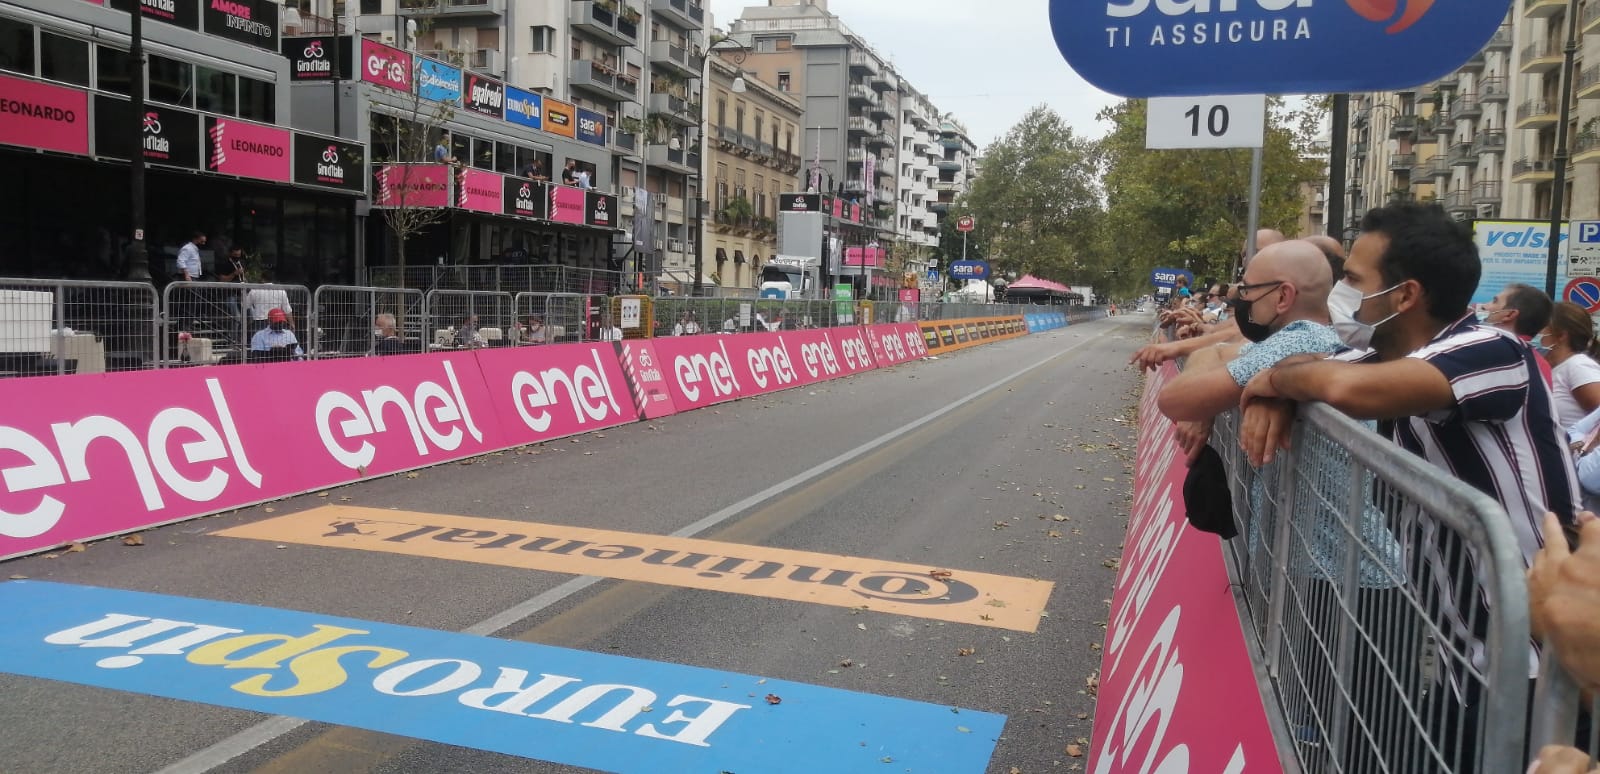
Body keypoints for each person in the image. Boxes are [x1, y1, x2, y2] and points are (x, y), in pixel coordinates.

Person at [1240, 203, 1580, 556]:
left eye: (1353, 279)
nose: (1338, 290)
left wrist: (1278, 385)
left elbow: (1341, 386)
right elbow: (1305, 365)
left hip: (1530, 603)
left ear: (1405, 295)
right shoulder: (1381, 357)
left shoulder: (1491, 349)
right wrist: (1275, 394)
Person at [1131, 229, 1286, 369]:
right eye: (1245, 255)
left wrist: (1177, 347)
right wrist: (1193, 324)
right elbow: (1227, 328)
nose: (1248, 260)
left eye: (1257, 252)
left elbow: (1235, 334)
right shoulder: (1239, 294)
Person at [1478, 282, 1555, 385]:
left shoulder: (1489, 354)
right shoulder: (1541, 364)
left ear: (1510, 314)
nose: (1484, 306)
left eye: (1494, 301)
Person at [1542, 301, 1600, 429]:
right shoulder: (1551, 368)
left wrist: (1577, 446)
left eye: (1541, 327)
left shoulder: (1578, 366)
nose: (1536, 333)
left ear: (1561, 335)